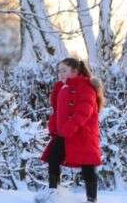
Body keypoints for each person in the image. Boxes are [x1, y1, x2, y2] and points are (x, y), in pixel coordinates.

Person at [35, 58, 103, 203]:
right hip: (64, 133)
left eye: (64, 70)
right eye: (59, 70)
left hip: (83, 134)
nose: (60, 74)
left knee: (88, 166)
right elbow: (57, 111)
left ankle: (92, 199)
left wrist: (69, 128)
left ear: (75, 71)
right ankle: (54, 193)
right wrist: (54, 126)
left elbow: (84, 112)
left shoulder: (85, 87)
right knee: (53, 158)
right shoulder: (61, 87)